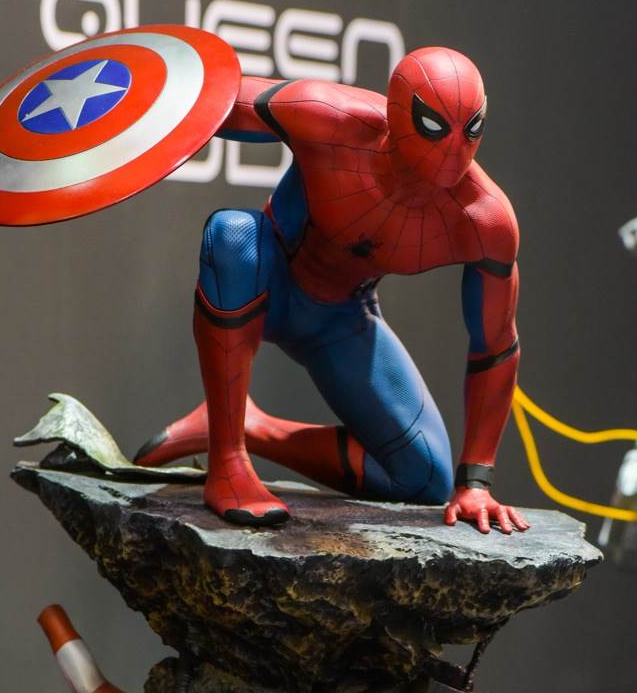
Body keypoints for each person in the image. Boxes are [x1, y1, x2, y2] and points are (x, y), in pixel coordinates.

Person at [137, 46, 529, 534]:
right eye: (434, 126)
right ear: (398, 114)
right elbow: (207, 103)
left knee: (424, 478)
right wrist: (123, 101)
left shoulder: (484, 219)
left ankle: (249, 426)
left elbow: (495, 347)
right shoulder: (332, 117)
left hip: (340, 319)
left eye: (470, 129)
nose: (453, 149)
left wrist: (475, 482)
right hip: (268, 281)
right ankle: (228, 458)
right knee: (233, 234)